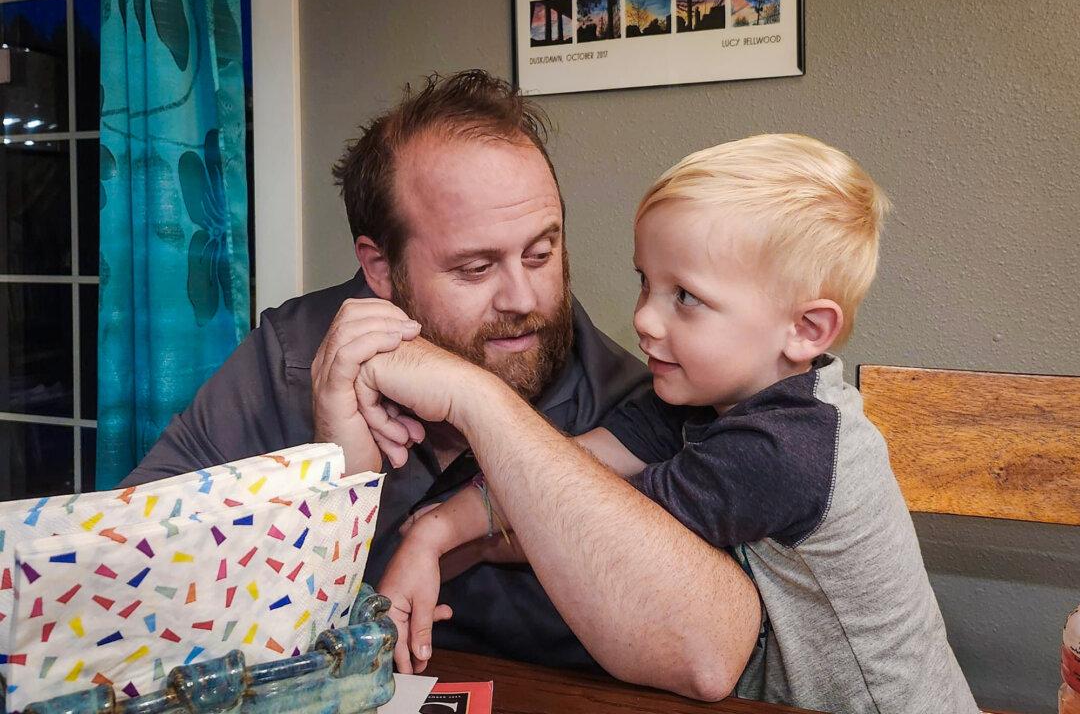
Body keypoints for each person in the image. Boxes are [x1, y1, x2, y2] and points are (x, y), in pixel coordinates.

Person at [122, 70, 761, 699]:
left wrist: (479, 401)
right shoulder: (293, 352)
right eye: (475, 267)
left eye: (541, 253)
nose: (523, 297)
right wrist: (334, 481)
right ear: (379, 268)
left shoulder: (640, 402)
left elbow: (710, 659)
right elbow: (126, 591)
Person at [357, 134, 979, 712]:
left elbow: (583, 523)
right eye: (646, 284)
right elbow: (572, 469)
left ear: (806, 330)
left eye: (685, 296)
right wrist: (435, 531)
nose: (645, 320)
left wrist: (441, 536)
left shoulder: (785, 448)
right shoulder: (700, 397)